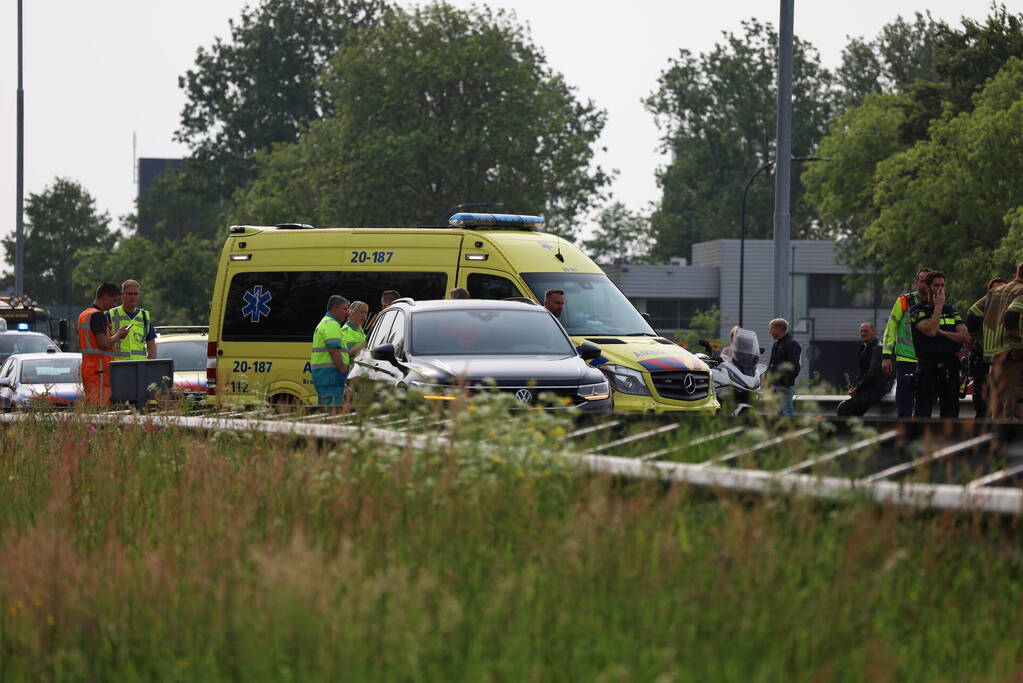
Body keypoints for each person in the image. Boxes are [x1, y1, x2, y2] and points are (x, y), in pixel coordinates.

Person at [910, 271, 970, 418]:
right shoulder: (917, 310)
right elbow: (930, 331)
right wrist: (938, 307)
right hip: (927, 366)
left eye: (943, 285)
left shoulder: (950, 310)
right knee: (923, 410)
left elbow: (966, 337)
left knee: (951, 411)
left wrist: (944, 334)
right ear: (928, 287)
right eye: (936, 285)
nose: (940, 289)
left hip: (950, 366)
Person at [967, 265, 1023, 418]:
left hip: (994, 356)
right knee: (1009, 404)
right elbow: (1012, 318)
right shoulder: (1020, 291)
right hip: (1012, 357)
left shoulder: (995, 292)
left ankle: (996, 436)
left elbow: (972, 315)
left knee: (997, 402)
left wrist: (980, 337)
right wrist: (1018, 348)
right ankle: (1007, 439)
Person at [881, 267, 933, 417]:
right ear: (916, 283)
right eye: (922, 281)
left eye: (928, 281)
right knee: (904, 404)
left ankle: (920, 436)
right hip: (906, 360)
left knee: (925, 406)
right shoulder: (904, 301)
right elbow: (891, 327)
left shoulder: (938, 303)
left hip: (927, 361)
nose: (925, 285)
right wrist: (886, 356)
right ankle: (904, 434)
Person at [77, 282, 131, 406]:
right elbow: (104, 343)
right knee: (100, 407)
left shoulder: (85, 314)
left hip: (89, 367)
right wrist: (119, 334)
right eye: (114, 300)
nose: (114, 304)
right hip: (99, 369)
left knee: (91, 404)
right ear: (105, 297)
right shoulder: (98, 316)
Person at [967, 277, 1007, 418]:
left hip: (1006, 361)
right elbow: (971, 316)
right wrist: (977, 335)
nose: (999, 293)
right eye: (995, 290)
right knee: (983, 406)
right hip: (985, 360)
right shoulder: (984, 306)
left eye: (1003, 289)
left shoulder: (1011, 306)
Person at [837, 322, 893, 417]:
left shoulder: (878, 348)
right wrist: (854, 386)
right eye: (861, 331)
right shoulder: (864, 347)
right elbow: (862, 372)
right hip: (868, 388)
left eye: (866, 331)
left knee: (843, 408)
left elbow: (873, 373)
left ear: (874, 332)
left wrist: (857, 389)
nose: (863, 333)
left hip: (876, 389)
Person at [309, 295, 350, 406]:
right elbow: (334, 351)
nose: (347, 313)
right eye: (345, 309)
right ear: (335, 309)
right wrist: (344, 373)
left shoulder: (327, 323)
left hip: (327, 378)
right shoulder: (331, 324)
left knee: (326, 414)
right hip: (331, 378)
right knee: (332, 415)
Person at [107, 279, 157, 361]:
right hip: (118, 366)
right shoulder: (110, 314)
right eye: (129, 294)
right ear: (122, 295)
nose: (133, 296)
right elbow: (105, 342)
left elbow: (151, 346)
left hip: (140, 366)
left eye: (136, 294)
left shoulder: (145, 316)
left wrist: (150, 367)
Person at [767, 318, 801, 417]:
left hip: (784, 387)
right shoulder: (776, 345)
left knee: (787, 411)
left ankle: (791, 432)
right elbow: (771, 365)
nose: (770, 332)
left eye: (771, 329)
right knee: (779, 414)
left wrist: (786, 385)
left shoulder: (792, 344)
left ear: (779, 329)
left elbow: (794, 367)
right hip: (775, 386)